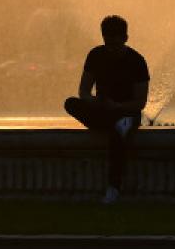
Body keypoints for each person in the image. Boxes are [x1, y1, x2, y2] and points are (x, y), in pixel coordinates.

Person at [64, 14, 149, 204]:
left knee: (116, 134)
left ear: (125, 38)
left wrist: (117, 106)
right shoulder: (95, 55)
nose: (112, 48)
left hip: (127, 111)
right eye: (108, 42)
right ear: (103, 38)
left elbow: (140, 103)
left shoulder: (137, 61)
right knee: (70, 103)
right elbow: (83, 92)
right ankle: (115, 124)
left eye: (116, 44)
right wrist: (94, 101)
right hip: (104, 110)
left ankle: (113, 187)